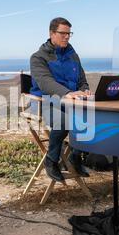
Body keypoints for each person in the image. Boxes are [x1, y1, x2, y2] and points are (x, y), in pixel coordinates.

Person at [30, 17, 90, 182]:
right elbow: (45, 83)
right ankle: (51, 160)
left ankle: (75, 157)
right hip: (46, 102)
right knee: (65, 121)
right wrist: (67, 93)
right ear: (51, 33)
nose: (66, 37)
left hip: (72, 102)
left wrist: (84, 90)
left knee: (95, 118)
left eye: (69, 33)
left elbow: (82, 80)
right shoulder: (38, 57)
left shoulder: (73, 55)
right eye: (62, 33)